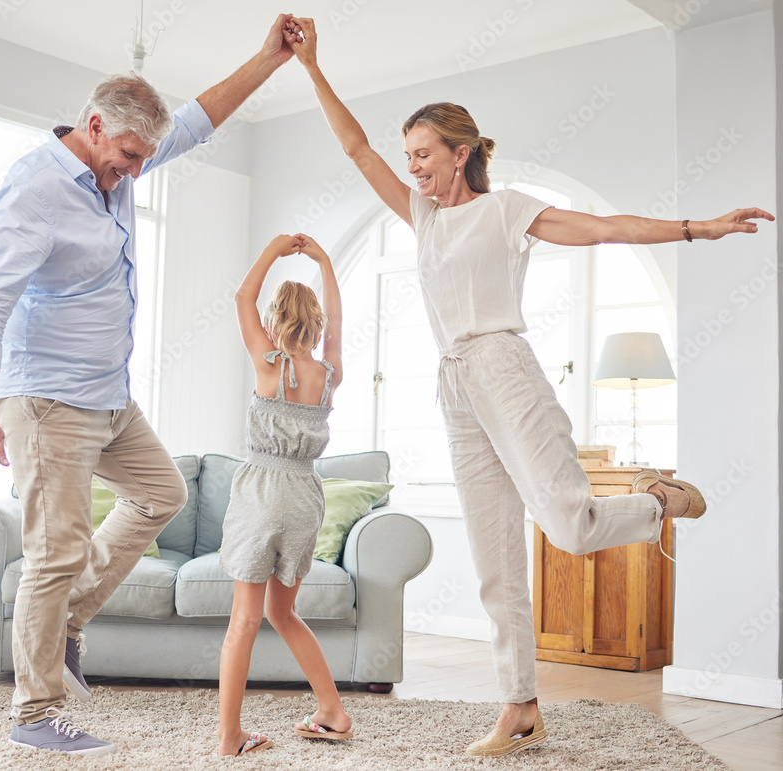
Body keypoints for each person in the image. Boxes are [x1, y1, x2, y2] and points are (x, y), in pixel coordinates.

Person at [286, 16, 775, 758]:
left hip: (503, 370)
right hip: (453, 386)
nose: (412, 166)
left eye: (424, 155)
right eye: (408, 155)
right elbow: (354, 147)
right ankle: (519, 707)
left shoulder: (506, 208)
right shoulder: (420, 216)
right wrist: (313, 66)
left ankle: (660, 501)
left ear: (461, 155)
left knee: (569, 526)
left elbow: (604, 226)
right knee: (495, 564)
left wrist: (695, 228)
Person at [0, 15, 303, 757]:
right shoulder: (35, 190)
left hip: (107, 397)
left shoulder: (123, 156)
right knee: (54, 551)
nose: (136, 172)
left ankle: (67, 621)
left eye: (144, 157)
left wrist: (268, 59)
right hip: (46, 398)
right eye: (128, 156)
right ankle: (35, 708)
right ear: (92, 126)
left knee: (163, 493)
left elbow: (201, 119)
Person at [216, 233, 351, 756]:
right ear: (314, 324)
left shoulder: (269, 362)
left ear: (275, 320)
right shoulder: (328, 376)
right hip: (304, 495)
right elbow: (338, 323)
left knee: (244, 621)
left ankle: (230, 738)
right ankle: (332, 711)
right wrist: (324, 262)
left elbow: (240, 299)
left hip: (262, 492)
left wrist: (274, 249)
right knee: (283, 612)